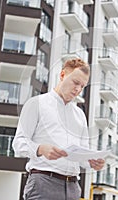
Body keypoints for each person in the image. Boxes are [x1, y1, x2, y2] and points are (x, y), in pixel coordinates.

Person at [12, 58, 105, 200]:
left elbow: (82, 155)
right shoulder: (36, 103)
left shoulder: (80, 115)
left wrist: (91, 162)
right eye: (75, 82)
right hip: (43, 184)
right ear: (62, 75)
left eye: (82, 86)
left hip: (73, 188)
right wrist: (40, 149)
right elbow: (18, 144)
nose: (78, 89)